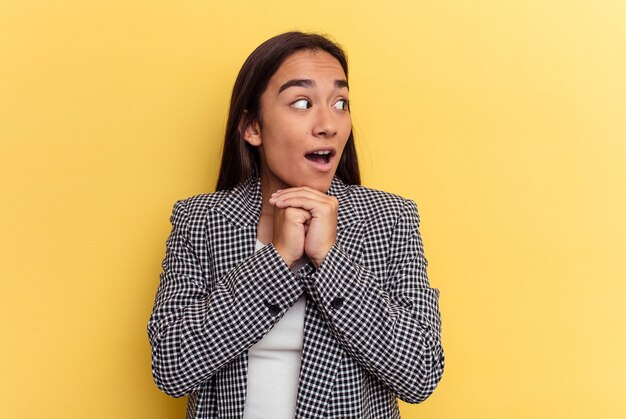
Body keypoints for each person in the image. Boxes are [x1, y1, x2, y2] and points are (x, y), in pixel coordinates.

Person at [148, 31, 444, 419]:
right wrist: (277, 259)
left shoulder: (390, 219)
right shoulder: (201, 220)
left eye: (341, 103)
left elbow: (420, 373)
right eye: (302, 103)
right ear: (252, 127)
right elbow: (172, 366)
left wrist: (330, 261)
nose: (328, 125)